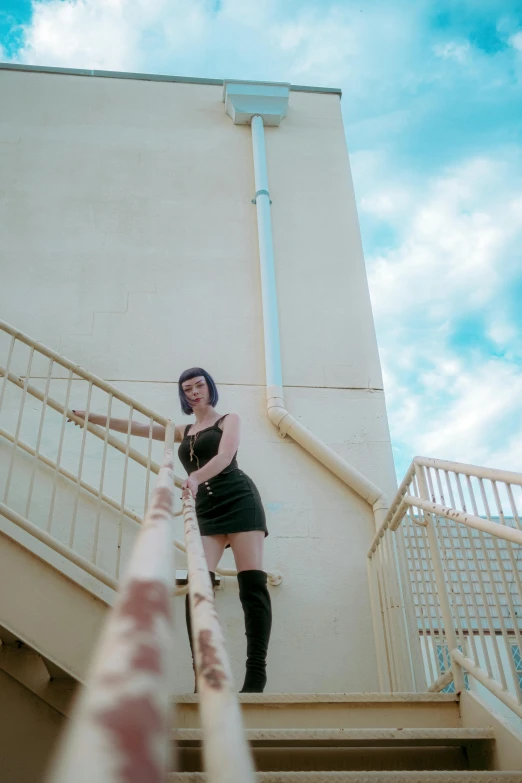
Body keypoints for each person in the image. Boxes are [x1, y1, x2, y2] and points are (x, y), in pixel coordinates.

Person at [70, 366, 271, 693]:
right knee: (198, 587)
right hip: (207, 509)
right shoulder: (185, 429)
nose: (194, 392)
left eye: (199, 385)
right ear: (183, 395)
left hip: (239, 499)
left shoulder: (228, 420)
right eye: (187, 388)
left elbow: (224, 457)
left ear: (209, 388)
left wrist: (194, 477)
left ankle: (256, 676)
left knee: (252, 586)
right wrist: (93, 417)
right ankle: (203, 674)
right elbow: (140, 427)